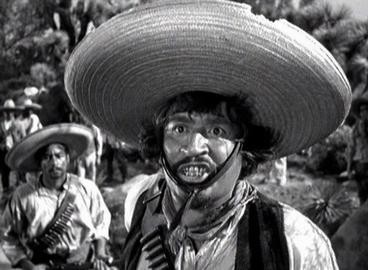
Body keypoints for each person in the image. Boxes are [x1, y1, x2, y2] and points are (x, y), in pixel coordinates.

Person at [64, 1, 352, 269]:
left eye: (216, 130)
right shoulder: (140, 206)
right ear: (159, 140)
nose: (193, 147)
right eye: (179, 129)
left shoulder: (292, 243)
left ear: (245, 146)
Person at [0, 123, 112, 270]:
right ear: (40, 163)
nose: (54, 162)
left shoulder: (87, 189)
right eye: (47, 157)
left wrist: (100, 253)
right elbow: (7, 235)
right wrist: (28, 266)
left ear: (68, 159)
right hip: (43, 265)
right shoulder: (23, 196)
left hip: (84, 263)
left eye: (59, 156)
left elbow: (101, 222)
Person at [347, 96, 368, 202]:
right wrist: (349, 168)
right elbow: (351, 148)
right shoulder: (356, 129)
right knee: (362, 194)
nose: (364, 113)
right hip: (360, 164)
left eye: (366, 110)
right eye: (362, 111)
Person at [0, 99, 19, 191]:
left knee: (16, 172)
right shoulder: (1, 124)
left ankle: (15, 192)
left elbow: (20, 138)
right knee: (4, 174)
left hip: (14, 150)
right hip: (3, 151)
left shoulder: (16, 124)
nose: (9, 113)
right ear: (4, 112)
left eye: (10, 111)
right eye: (7, 111)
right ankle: (6, 191)